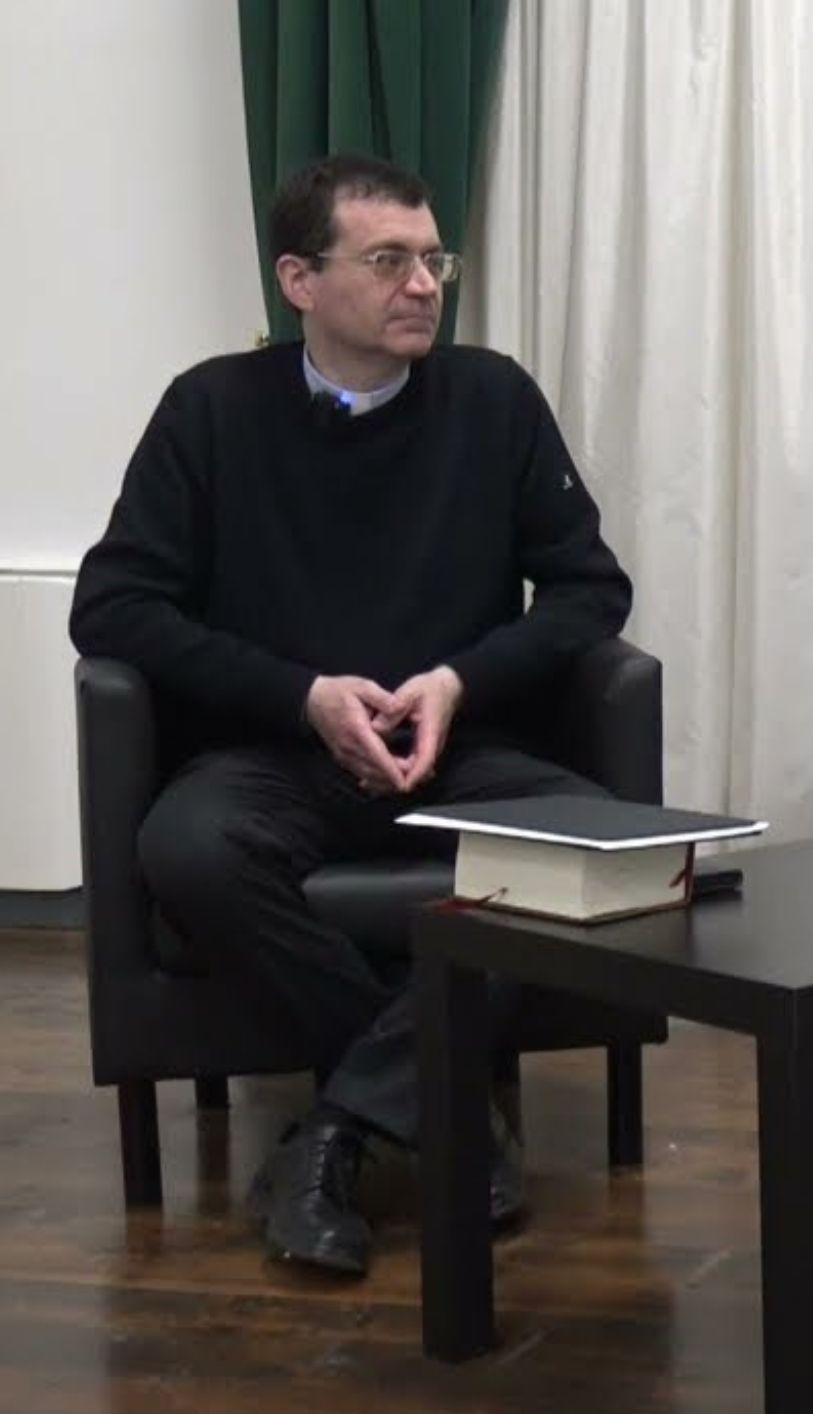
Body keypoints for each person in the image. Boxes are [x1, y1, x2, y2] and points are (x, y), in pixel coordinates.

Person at [70, 153, 634, 1275]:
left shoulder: (494, 400)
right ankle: (444, 1107)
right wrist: (301, 696)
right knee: (187, 847)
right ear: (300, 279)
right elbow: (113, 605)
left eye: (433, 260)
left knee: (601, 854)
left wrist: (458, 681)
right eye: (387, 261)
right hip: (275, 754)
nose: (423, 285)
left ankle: (338, 1129)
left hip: (457, 751)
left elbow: (590, 590)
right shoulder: (211, 410)